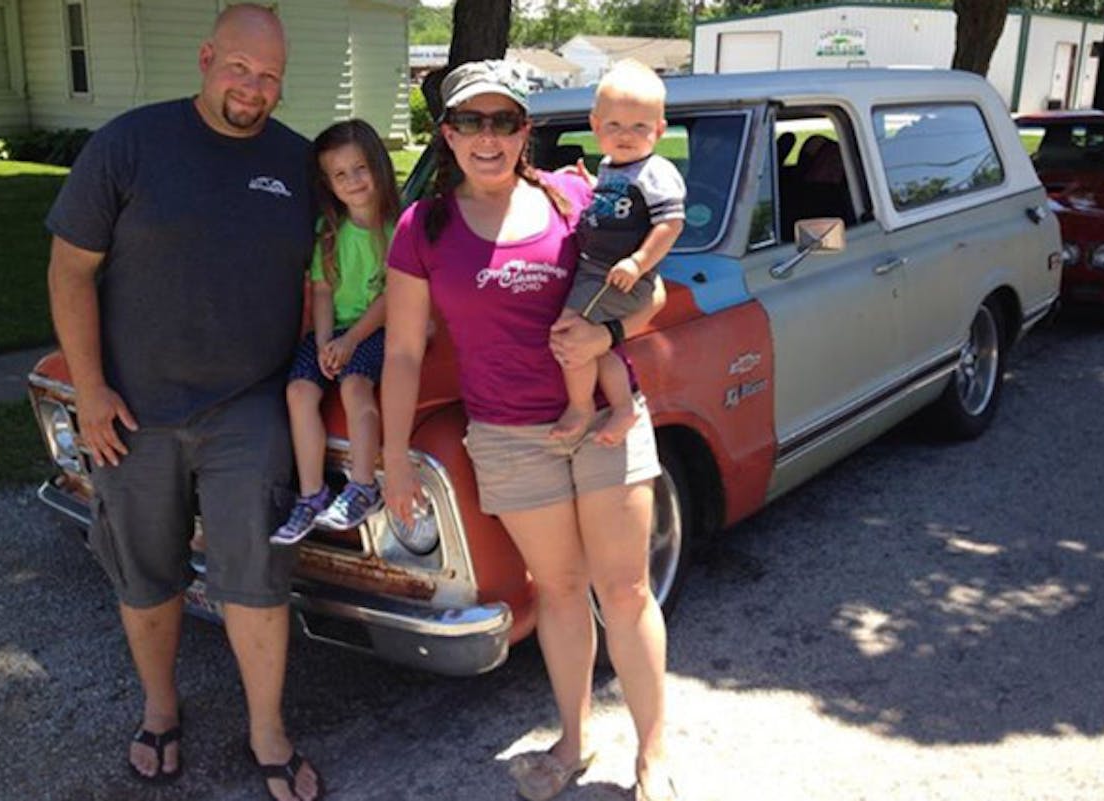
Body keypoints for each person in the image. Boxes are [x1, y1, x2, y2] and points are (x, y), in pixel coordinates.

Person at [381, 60, 679, 801]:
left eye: (504, 121)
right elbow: (403, 349)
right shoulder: (424, 226)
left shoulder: (576, 197)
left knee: (627, 588)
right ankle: (573, 742)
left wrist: (605, 343)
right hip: (510, 437)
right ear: (447, 134)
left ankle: (653, 754)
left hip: (606, 423)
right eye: (471, 122)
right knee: (558, 588)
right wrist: (391, 459)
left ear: (525, 131)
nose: (489, 137)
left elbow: (655, 292)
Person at [45, 6, 322, 800]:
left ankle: (267, 729)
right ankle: (160, 708)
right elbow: (70, 271)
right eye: (239, 67)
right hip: (136, 408)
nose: (253, 88)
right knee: (146, 573)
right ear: (206, 59)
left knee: (257, 575)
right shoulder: (129, 145)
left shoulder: (298, 164)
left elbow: (360, 256)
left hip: (250, 408)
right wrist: (89, 390)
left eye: (269, 76)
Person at [270, 119, 399, 544]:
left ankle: (363, 485)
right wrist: (325, 341)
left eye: (360, 168)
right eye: (340, 175)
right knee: (299, 391)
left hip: (377, 328)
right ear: (329, 183)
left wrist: (349, 341)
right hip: (335, 330)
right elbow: (322, 291)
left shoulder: (398, 231)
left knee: (355, 385)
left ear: (378, 166)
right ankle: (312, 494)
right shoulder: (328, 232)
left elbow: (390, 300)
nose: (354, 181)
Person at [552, 59, 685, 447]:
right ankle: (624, 407)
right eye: (614, 126)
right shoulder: (613, 167)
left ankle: (581, 407)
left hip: (614, 275)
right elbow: (620, 204)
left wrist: (638, 262)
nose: (626, 135)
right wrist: (590, 183)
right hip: (598, 271)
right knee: (597, 342)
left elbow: (670, 224)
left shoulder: (657, 172)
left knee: (570, 333)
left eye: (639, 127)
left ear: (659, 130)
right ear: (595, 126)